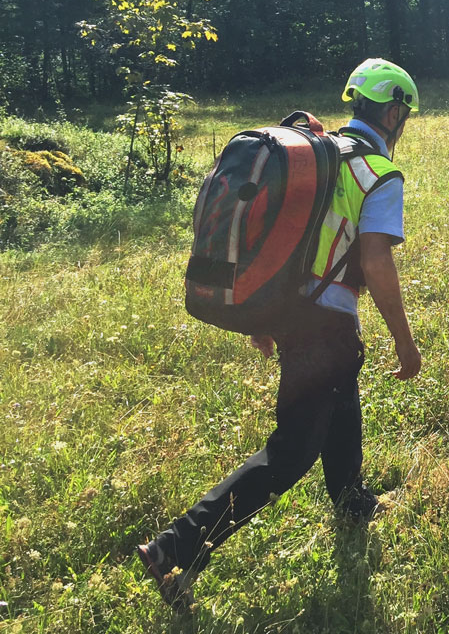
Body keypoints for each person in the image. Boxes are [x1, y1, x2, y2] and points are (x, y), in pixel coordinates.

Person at [135, 58, 423, 612]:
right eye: (403, 112)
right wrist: (404, 340)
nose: (402, 122)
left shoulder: (316, 157)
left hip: (292, 311)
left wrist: (264, 316)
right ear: (392, 111)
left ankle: (351, 499)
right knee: (291, 451)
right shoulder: (379, 174)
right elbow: (377, 262)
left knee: (341, 396)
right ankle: (177, 546)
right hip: (326, 321)